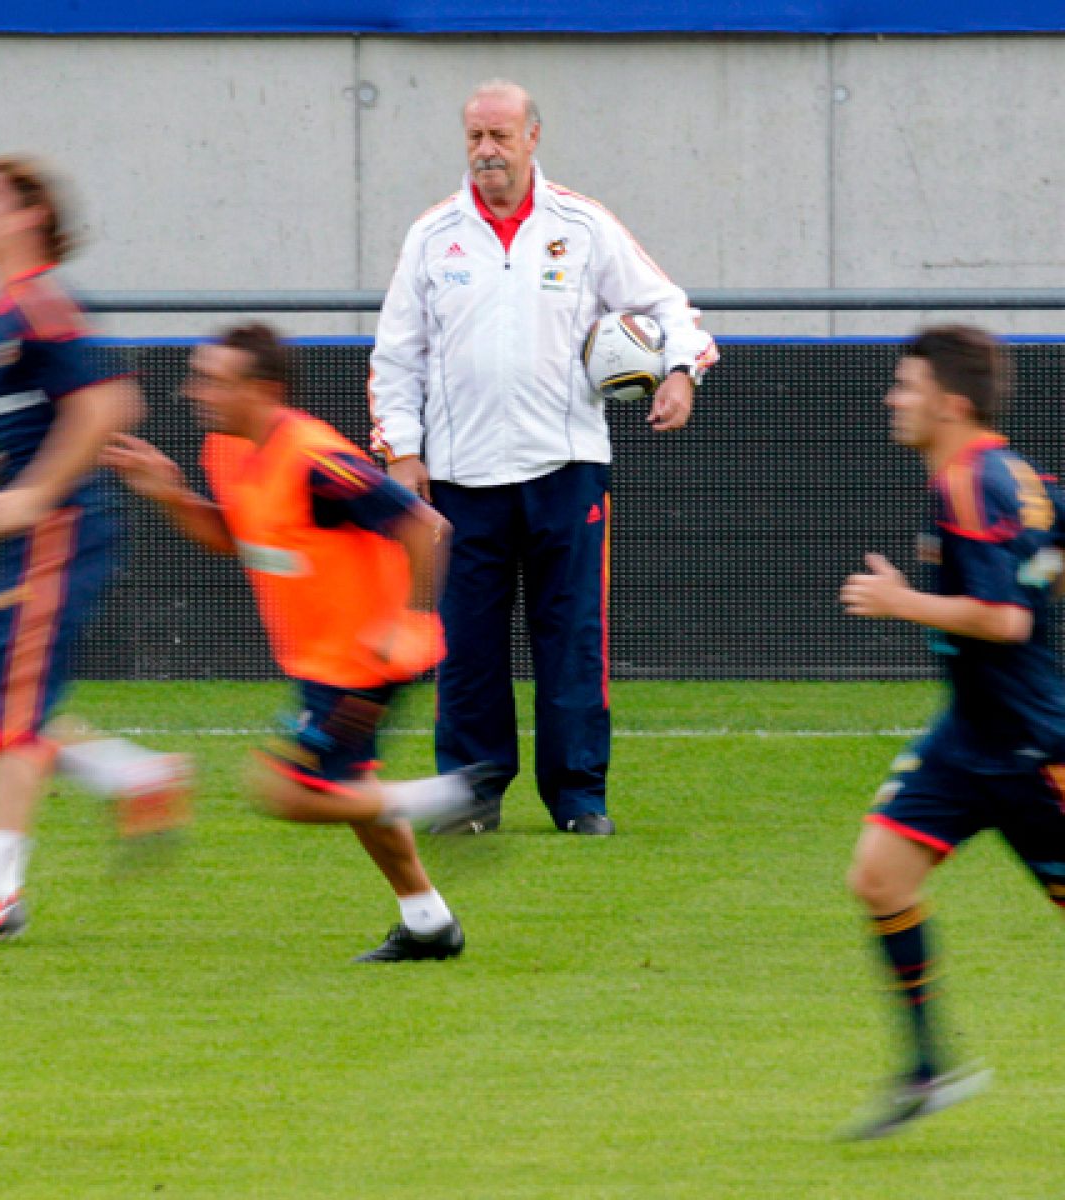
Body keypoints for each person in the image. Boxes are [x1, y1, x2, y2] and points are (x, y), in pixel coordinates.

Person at [369, 79, 719, 835]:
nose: (487, 152)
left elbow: (670, 309)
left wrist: (682, 371)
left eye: (500, 136)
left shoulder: (584, 226)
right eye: (474, 138)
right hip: (459, 480)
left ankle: (579, 799)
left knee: (572, 640)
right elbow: (396, 356)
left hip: (566, 471)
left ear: (533, 137)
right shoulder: (433, 235)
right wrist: (402, 452)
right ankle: (471, 796)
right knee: (466, 648)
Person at [104, 323, 496, 962]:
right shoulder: (227, 452)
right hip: (327, 656)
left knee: (286, 791)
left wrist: (409, 621)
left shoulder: (317, 461)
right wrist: (170, 493)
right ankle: (428, 923)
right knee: (351, 789)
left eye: (211, 380)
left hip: (366, 658)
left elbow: (427, 528)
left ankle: (454, 796)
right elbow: (236, 539)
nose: (193, 391)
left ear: (262, 390)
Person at [0, 156, 189, 951]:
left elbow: (108, 403)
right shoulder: (1, 313)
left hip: (59, 533)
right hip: (35, 535)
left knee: (11, 714)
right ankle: (136, 776)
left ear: (29, 215)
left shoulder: (38, 301)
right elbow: (41, 425)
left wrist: (34, 497)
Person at [837, 326, 1065, 1138]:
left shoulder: (973, 485)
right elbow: (1050, 556)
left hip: (1033, 752)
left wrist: (904, 602)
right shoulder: (1017, 474)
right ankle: (931, 1069)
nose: (894, 399)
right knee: (879, 875)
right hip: (968, 740)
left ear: (952, 403)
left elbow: (1004, 619)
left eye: (907, 386)